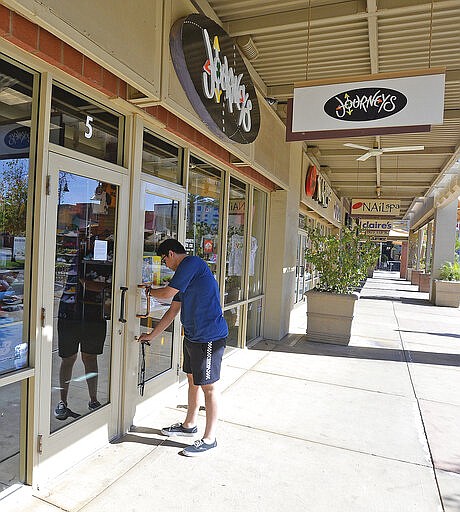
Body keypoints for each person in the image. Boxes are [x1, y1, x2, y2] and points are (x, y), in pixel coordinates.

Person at [137, 239, 228, 456]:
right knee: (191, 380)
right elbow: (172, 310)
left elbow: (167, 294)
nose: (165, 264)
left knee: (209, 387)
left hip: (209, 337)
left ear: (171, 253)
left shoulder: (191, 264)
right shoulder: (184, 277)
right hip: (193, 336)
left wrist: (147, 291)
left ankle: (210, 438)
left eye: (164, 260)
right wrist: (151, 334)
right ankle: (189, 425)